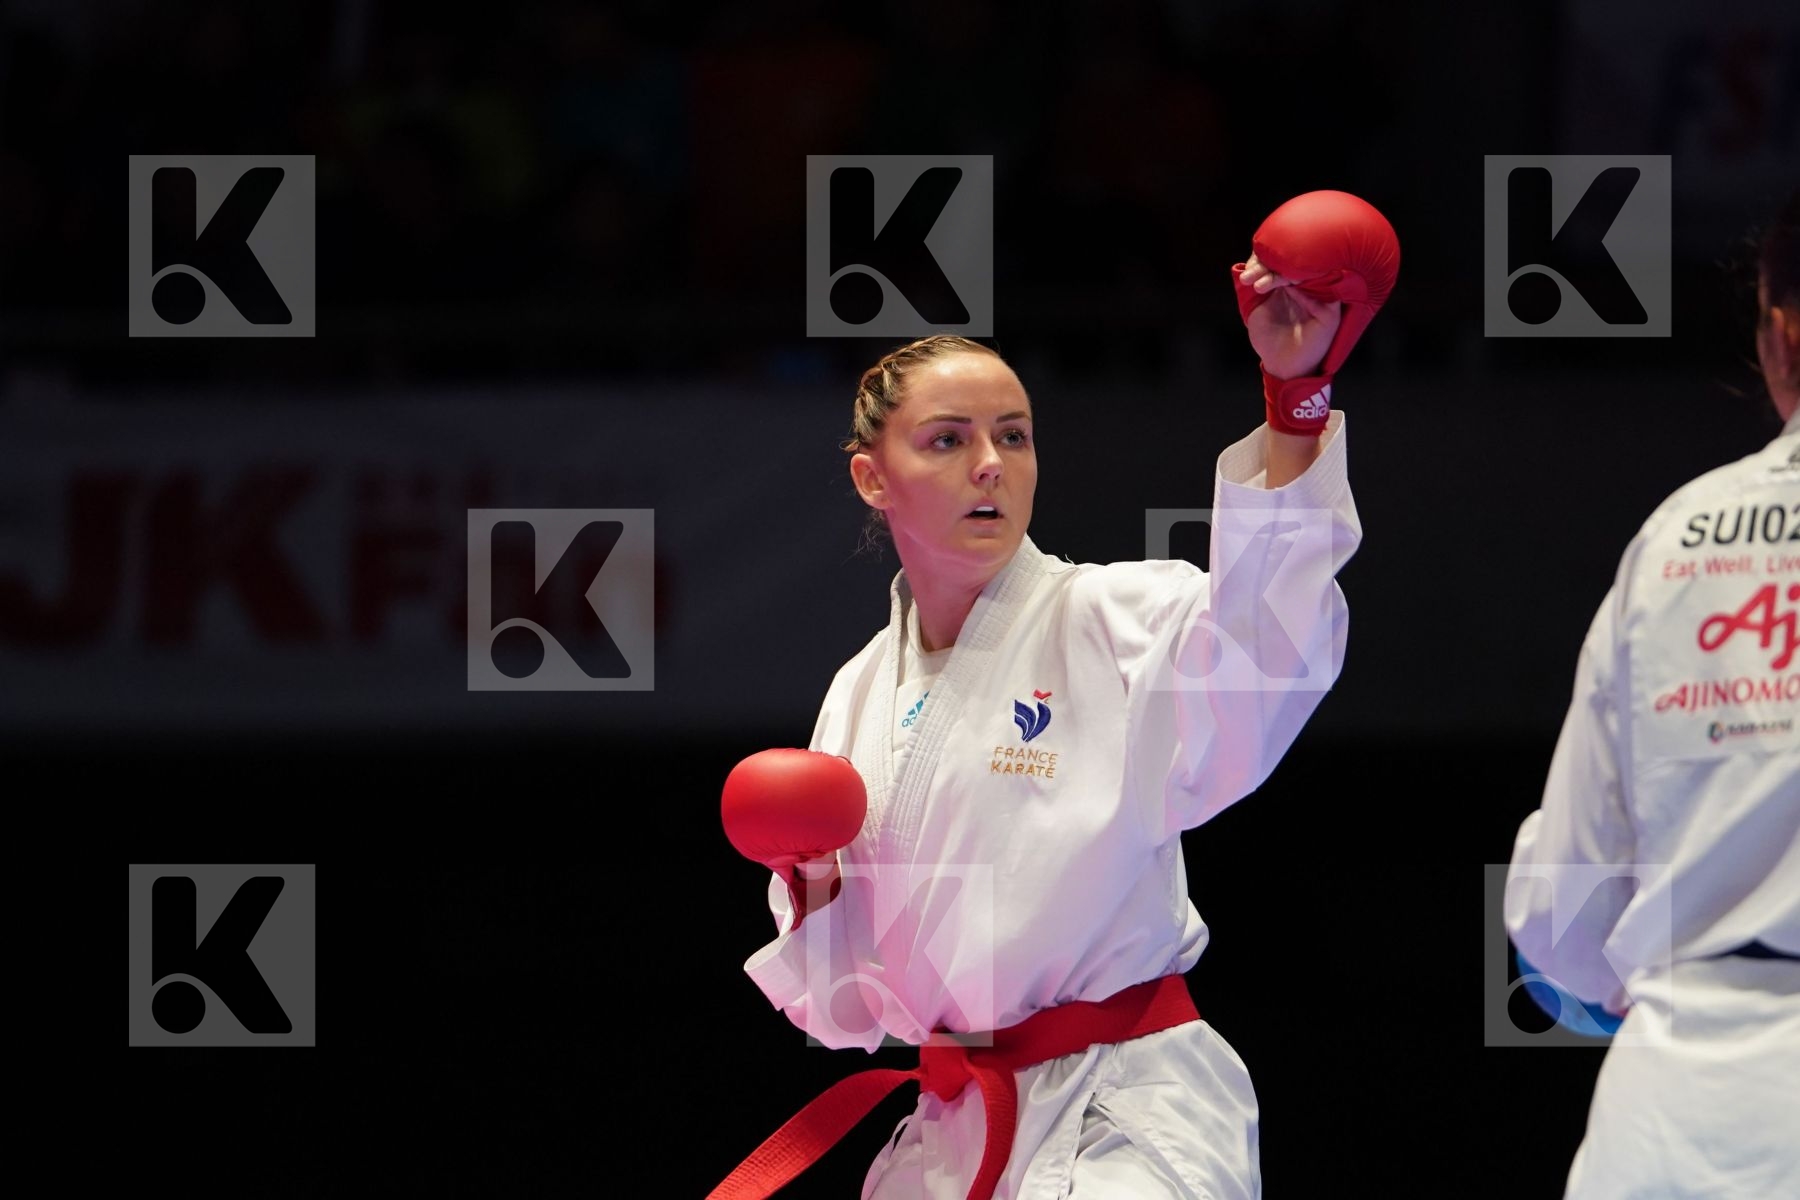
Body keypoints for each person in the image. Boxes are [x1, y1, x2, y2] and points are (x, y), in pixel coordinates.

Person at [713, 191, 1398, 1200]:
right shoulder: (858, 693)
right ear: (872, 477)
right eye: (948, 440)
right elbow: (844, 1007)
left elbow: (1269, 657)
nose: (991, 463)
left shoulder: (1118, 618)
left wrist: (1293, 394)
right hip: (952, 1130)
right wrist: (808, 880)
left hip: (1127, 1107)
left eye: (1014, 436)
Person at [1503, 188, 1800, 1199]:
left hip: (1675, 1106)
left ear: (1780, 335)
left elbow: (1566, 899)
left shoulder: (1680, 535)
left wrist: (1595, 987)